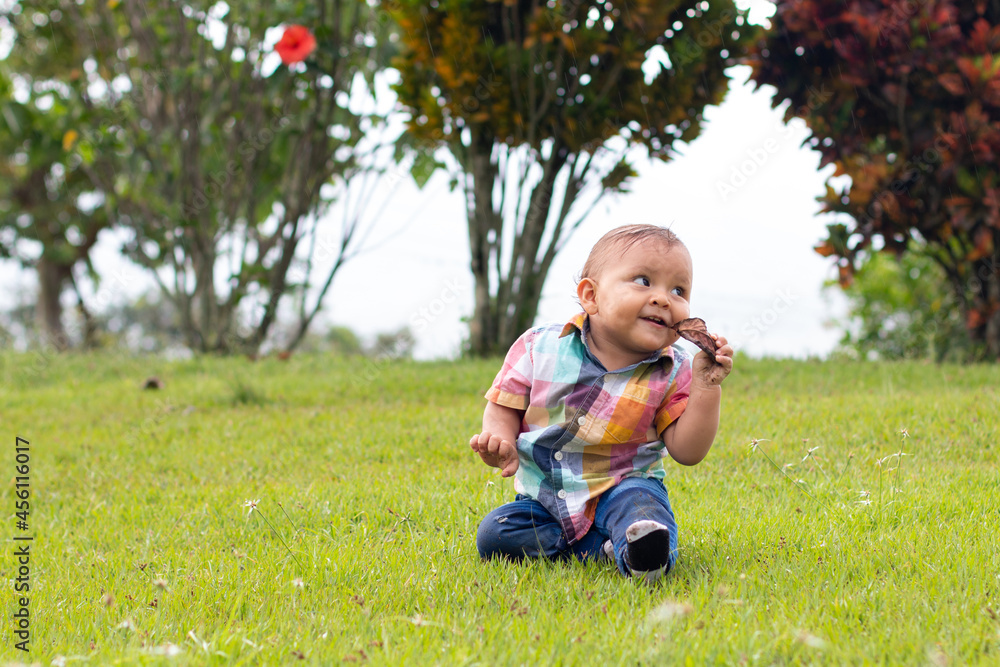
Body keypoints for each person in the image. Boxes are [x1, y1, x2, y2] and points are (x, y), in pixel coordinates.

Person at [469, 224, 733, 583]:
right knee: (497, 534)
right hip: (546, 499)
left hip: (625, 487)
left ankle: (645, 553)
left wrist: (706, 387)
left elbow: (688, 451)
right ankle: (606, 549)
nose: (663, 299)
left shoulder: (673, 369)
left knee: (642, 512)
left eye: (678, 290)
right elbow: (505, 404)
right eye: (643, 281)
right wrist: (499, 438)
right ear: (591, 296)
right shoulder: (539, 347)